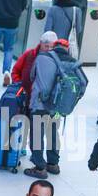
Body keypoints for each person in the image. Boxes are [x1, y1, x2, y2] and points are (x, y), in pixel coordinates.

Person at [23, 32, 63, 179]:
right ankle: (53, 164)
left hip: (40, 104)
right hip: (57, 106)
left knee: (37, 134)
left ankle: (40, 167)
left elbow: (31, 76)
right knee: (53, 132)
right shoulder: (65, 57)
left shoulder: (40, 58)